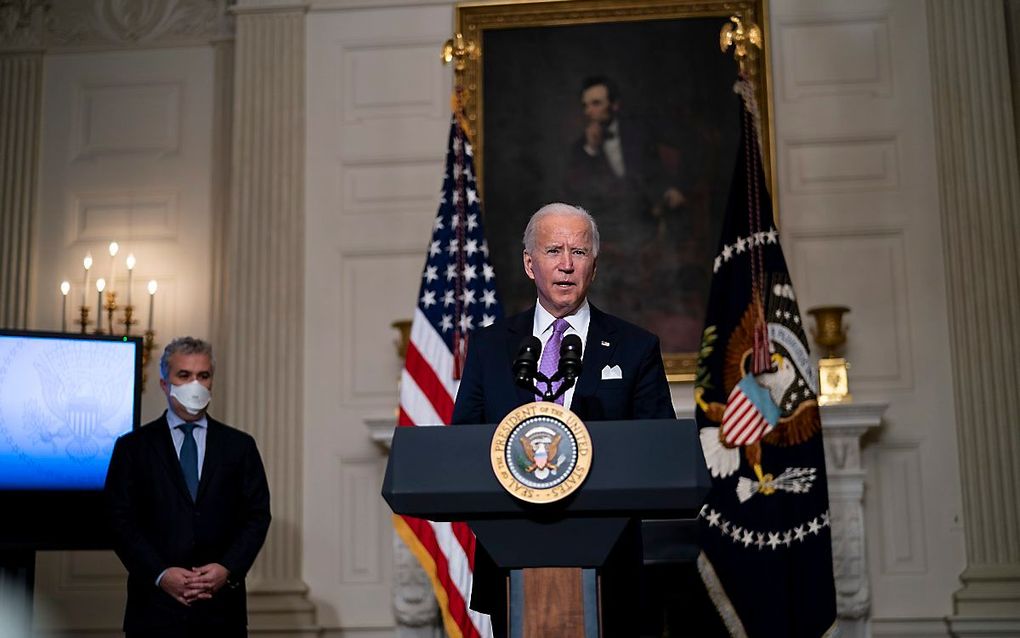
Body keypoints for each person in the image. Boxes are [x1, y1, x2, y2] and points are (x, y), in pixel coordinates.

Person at [452, 202, 676, 637]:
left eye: (580, 252)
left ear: (595, 263)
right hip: (511, 553)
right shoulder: (490, 346)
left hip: (608, 561)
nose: (567, 265)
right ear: (529, 263)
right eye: (554, 251)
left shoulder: (634, 347)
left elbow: (658, 448)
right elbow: (464, 444)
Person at [105, 337, 271, 638]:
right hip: (154, 611)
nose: (195, 384)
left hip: (222, 611)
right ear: (164, 383)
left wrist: (227, 568)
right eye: (184, 375)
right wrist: (161, 574)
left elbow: (257, 516)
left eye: (203, 376)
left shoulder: (239, 446)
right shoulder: (133, 448)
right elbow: (119, 520)